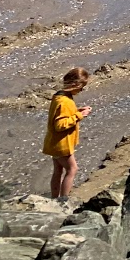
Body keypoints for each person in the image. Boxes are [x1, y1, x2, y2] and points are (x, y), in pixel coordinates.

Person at [43, 67, 92, 199]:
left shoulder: (60, 95)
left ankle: (54, 198)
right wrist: (79, 116)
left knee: (58, 171)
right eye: (81, 87)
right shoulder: (64, 101)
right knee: (72, 169)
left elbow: (62, 115)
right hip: (61, 144)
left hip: (54, 142)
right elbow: (60, 125)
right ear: (74, 85)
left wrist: (77, 111)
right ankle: (64, 200)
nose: (81, 90)